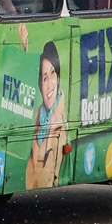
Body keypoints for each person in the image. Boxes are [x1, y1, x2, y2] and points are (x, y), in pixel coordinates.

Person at [25, 40, 67, 189]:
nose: (49, 84)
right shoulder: (39, 119)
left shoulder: (59, 125)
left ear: (58, 78)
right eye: (44, 78)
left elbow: (48, 178)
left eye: (53, 74)